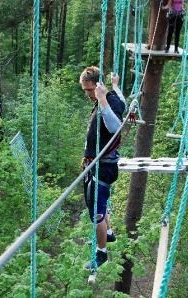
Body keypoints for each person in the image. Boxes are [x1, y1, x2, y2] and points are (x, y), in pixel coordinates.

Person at [80, 67, 126, 269]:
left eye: (89, 90)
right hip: (98, 164)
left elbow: (116, 128)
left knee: (96, 212)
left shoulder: (108, 101)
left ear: (98, 87)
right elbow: (124, 102)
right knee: (101, 202)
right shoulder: (113, 97)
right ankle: (107, 234)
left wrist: (103, 99)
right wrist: (115, 86)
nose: (87, 94)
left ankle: (101, 254)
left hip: (103, 167)